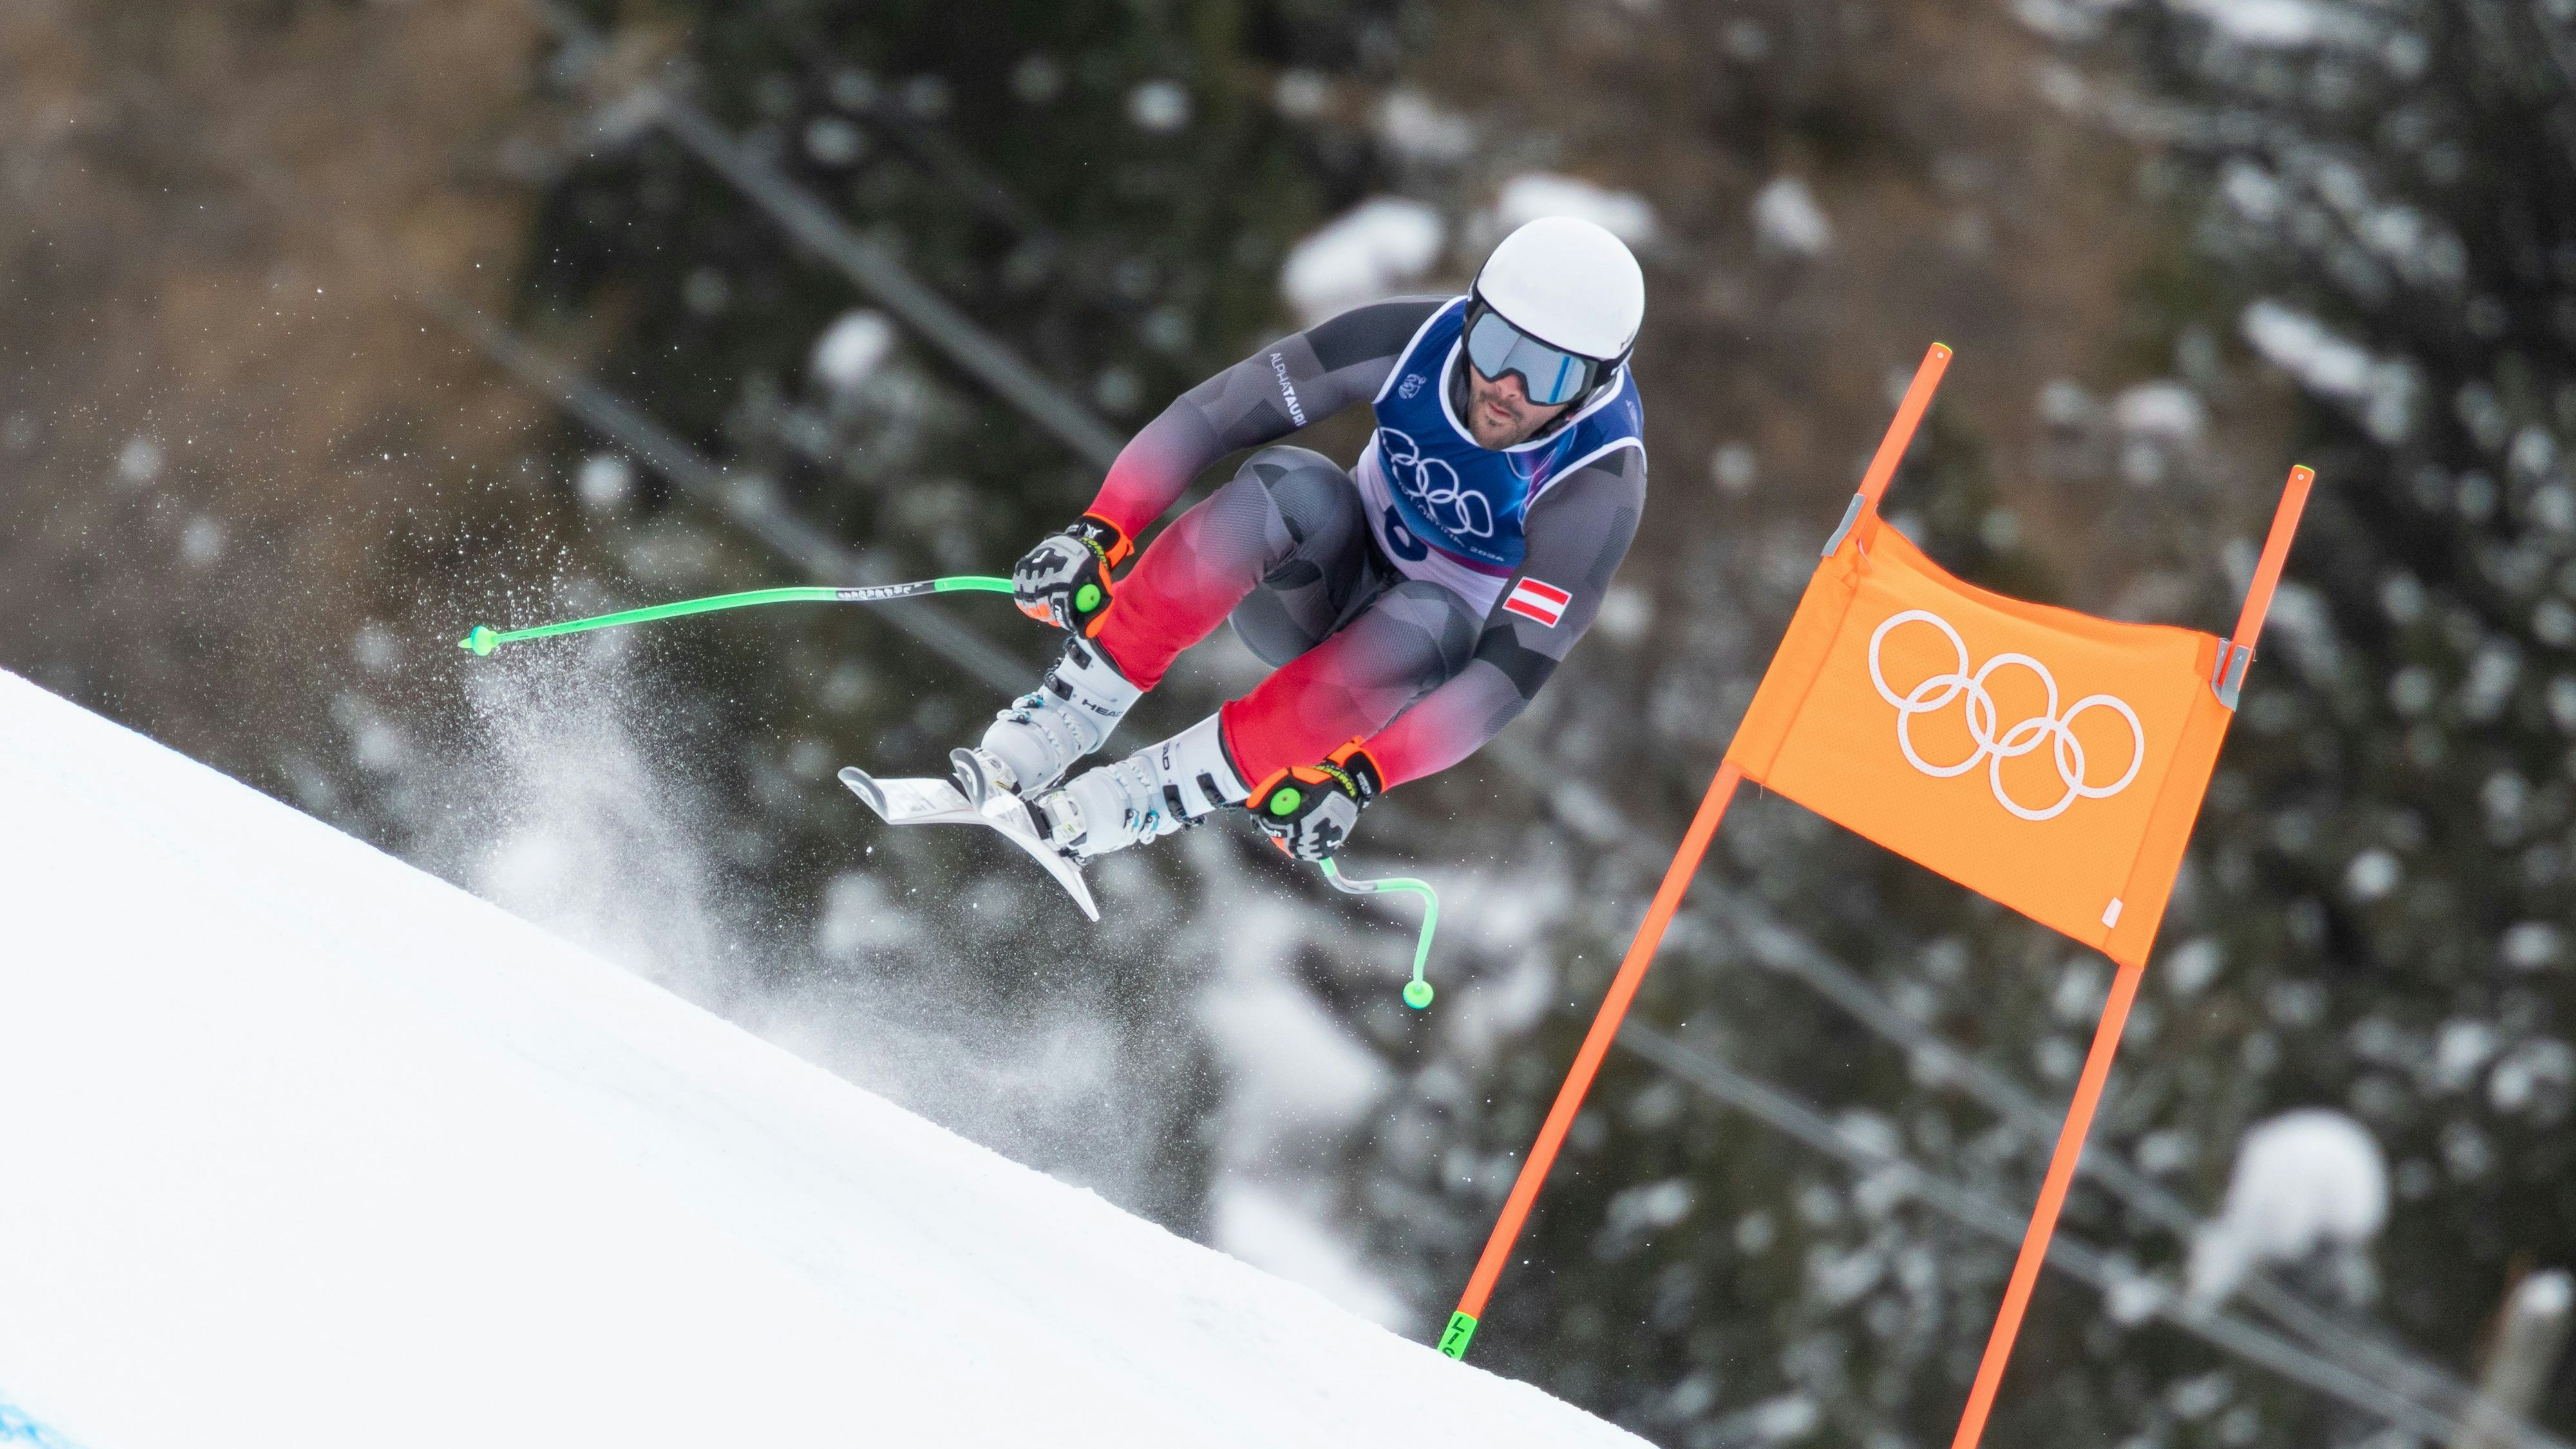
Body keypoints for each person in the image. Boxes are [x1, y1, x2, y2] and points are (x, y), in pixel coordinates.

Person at [952, 214, 1649, 865]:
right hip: (1312, 589)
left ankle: (1137, 800)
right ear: (1470, 317)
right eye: (1496, 346)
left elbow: (1510, 673)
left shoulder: (1597, 480)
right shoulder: (1412, 340)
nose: (1506, 387)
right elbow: (1213, 415)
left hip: (1403, 658)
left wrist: (1361, 778)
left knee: (1425, 621)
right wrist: (1098, 530)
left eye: (1550, 374)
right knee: (1291, 485)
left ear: (1593, 387)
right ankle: (1064, 719)